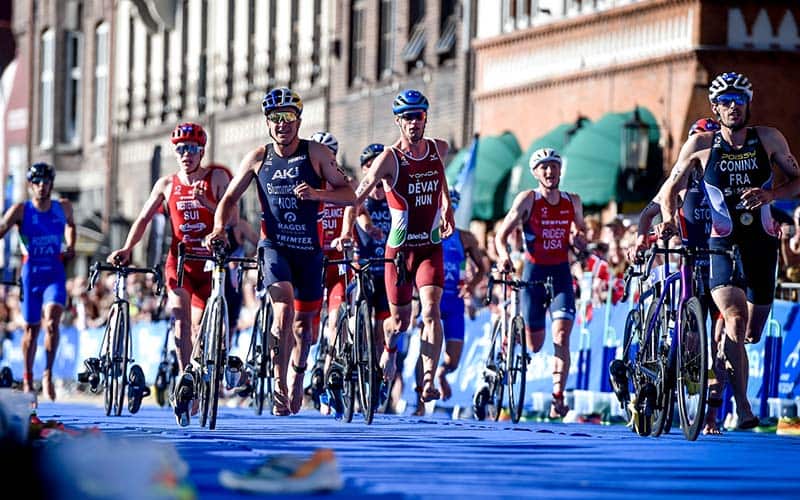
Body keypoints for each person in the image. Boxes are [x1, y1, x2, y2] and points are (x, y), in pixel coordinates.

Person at [657, 72, 800, 430]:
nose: (733, 106)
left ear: (748, 104)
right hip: (720, 242)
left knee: (749, 333)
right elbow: (670, 188)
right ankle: (741, 406)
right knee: (733, 320)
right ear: (715, 107)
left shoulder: (768, 139)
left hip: (762, 241)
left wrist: (771, 195)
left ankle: (719, 366)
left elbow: (798, 179)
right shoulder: (701, 145)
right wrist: (668, 219)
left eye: (739, 100)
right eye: (725, 101)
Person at [205, 88, 355, 416]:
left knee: (305, 328)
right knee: (283, 311)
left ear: (298, 121)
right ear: (268, 123)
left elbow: (350, 194)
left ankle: (297, 378)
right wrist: (218, 227)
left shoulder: (315, 153)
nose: (281, 124)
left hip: (310, 251)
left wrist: (317, 194)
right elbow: (229, 199)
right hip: (274, 247)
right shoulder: (258, 157)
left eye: (288, 117)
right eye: (275, 118)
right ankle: (278, 383)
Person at [108, 122, 233, 426]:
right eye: (180, 149)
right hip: (180, 263)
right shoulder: (166, 184)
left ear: (202, 150)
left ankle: (208, 376)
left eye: (192, 148)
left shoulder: (215, 177)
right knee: (180, 320)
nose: (186, 154)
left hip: (210, 263)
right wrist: (126, 248)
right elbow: (143, 219)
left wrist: (209, 204)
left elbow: (232, 217)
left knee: (203, 329)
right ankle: (185, 379)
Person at [351, 89, 456, 403]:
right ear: (398, 121)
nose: (413, 123)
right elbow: (356, 198)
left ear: (425, 118)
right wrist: (347, 229)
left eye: (418, 116)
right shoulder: (389, 158)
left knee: (431, 311)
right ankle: (389, 348)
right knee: (399, 323)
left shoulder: (440, 148)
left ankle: (426, 381)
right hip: (399, 251)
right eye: (407, 118)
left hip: (429, 246)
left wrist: (447, 205)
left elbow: (440, 180)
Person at [624, 117, 725, 434]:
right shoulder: (678, 179)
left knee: (720, 340)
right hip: (684, 255)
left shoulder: (724, 176)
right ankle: (664, 338)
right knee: (682, 314)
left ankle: (710, 415)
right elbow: (648, 214)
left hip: (716, 259)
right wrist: (642, 237)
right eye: (699, 141)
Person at [495, 148, 587, 418]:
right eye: (543, 168)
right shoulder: (528, 199)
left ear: (560, 170)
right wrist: (503, 258)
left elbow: (579, 231)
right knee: (534, 345)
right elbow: (501, 236)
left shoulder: (573, 201)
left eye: (554, 167)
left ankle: (557, 396)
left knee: (562, 336)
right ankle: (508, 340)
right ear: (535, 173)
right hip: (533, 274)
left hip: (560, 274)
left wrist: (580, 241)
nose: (549, 172)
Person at [0, 162, 75, 403]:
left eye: (46, 182)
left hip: (54, 271)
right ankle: (27, 377)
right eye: (37, 183)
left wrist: (71, 245)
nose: (42, 187)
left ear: (52, 184)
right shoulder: (21, 210)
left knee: (52, 322)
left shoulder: (62, 206)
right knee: (31, 330)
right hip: (30, 274)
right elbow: (2, 228)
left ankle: (47, 373)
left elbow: (71, 226)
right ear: (31, 185)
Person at [411, 189, 485, 415]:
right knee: (427, 350)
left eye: (451, 206)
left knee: (453, 360)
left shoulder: (465, 237)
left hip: (454, 301)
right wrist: (415, 295)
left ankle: (441, 374)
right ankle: (421, 400)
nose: (446, 211)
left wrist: (471, 286)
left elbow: (482, 268)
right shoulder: (427, 233)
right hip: (432, 298)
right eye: (443, 206)